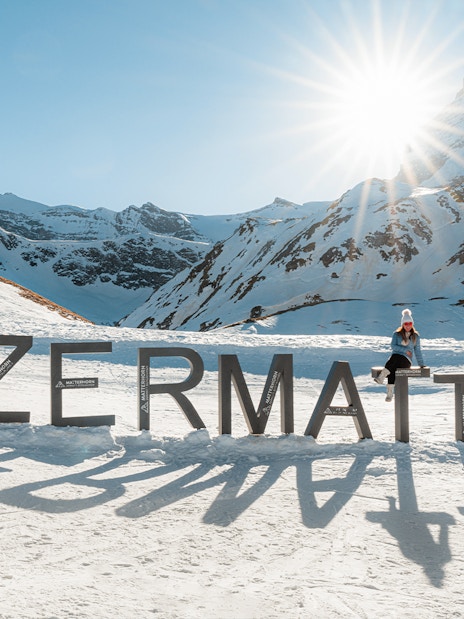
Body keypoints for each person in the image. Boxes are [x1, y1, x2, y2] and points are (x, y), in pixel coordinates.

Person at [374, 308, 426, 402]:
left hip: (406, 361)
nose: (408, 326)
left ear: (412, 324)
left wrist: (421, 364)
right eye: (406, 324)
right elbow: (393, 346)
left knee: (395, 359)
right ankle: (389, 394)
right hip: (395, 359)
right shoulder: (396, 334)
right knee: (392, 367)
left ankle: (382, 376)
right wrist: (405, 350)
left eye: (410, 323)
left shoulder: (415, 336)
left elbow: (417, 351)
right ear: (402, 324)